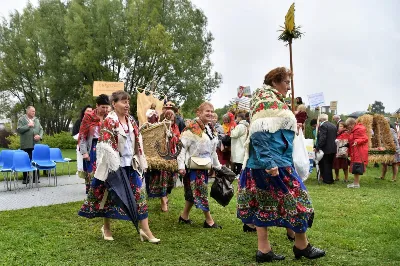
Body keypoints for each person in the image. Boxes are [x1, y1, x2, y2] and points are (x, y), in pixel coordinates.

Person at [237, 67, 325, 263]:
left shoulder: (272, 101)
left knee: (263, 205)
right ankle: (301, 246)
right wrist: (269, 163)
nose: (289, 87)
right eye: (286, 82)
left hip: (267, 163)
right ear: (275, 81)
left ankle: (264, 251)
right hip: (273, 164)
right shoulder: (266, 101)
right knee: (300, 203)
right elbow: (259, 134)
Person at [78, 90, 159, 243]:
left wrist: (140, 160)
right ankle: (106, 229)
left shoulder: (131, 121)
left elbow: (138, 143)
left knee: (139, 195)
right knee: (109, 197)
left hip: (131, 166)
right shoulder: (110, 121)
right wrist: (114, 166)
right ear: (114, 104)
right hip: (113, 167)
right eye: (123, 101)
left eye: (128, 101)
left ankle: (145, 230)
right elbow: (106, 145)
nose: (127, 104)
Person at [177, 102, 223, 229]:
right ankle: (209, 221)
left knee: (192, 193)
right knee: (201, 192)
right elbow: (181, 149)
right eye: (207, 111)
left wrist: (218, 166)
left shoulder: (211, 129)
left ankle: (184, 216)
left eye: (212, 111)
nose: (210, 113)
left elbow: (213, 151)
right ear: (199, 113)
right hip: (193, 167)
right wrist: (180, 166)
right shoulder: (191, 128)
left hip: (204, 166)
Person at [145, 109, 180, 212]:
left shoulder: (176, 128)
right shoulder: (159, 127)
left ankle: (165, 198)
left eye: (172, 119)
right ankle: (163, 200)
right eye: (167, 118)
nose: (169, 121)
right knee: (160, 180)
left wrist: (173, 137)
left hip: (171, 157)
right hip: (160, 158)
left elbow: (177, 140)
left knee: (169, 181)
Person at [78, 94, 110, 194]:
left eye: (106, 107)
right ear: (97, 105)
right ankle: (93, 193)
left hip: (105, 145)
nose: (105, 109)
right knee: (92, 171)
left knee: (105, 169)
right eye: (102, 107)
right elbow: (82, 134)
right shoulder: (89, 116)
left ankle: (104, 194)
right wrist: (84, 152)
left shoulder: (109, 116)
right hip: (92, 146)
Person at [17, 106, 43, 184]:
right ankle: (25, 178)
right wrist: (28, 126)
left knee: (36, 161)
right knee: (25, 161)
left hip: (36, 145)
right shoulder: (21, 119)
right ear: (28, 111)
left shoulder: (37, 120)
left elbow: (41, 129)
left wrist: (40, 136)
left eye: (34, 111)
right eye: (32, 111)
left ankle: (36, 178)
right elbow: (19, 130)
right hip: (26, 144)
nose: (34, 113)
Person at [346, 118, 369, 188]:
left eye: (349, 125)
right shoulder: (354, 130)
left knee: (357, 166)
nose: (348, 127)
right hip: (356, 150)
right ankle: (355, 183)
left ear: (352, 124)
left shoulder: (359, 129)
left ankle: (356, 184)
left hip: (359, 150)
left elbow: (365, 139)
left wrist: (357, 141)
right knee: (355, 166)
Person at [315, 114, 337, 184]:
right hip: (333, 147)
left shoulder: (323, 126)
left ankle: (327, 180)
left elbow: (322, 138)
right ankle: (330, 178)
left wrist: (318, 147)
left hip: (326, 148)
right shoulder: (333, 125)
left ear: (321, 120)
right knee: (330, 164)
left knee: (325, 164)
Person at [72, 105, 93, 176]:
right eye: (88, 111)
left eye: (91, 111)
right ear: (84, 112)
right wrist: (83, 136)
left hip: (92, 146)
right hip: (81, 145)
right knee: (81, 162)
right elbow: (74, 134)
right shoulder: (79, 122)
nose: (89, 112)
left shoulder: (94, 121)